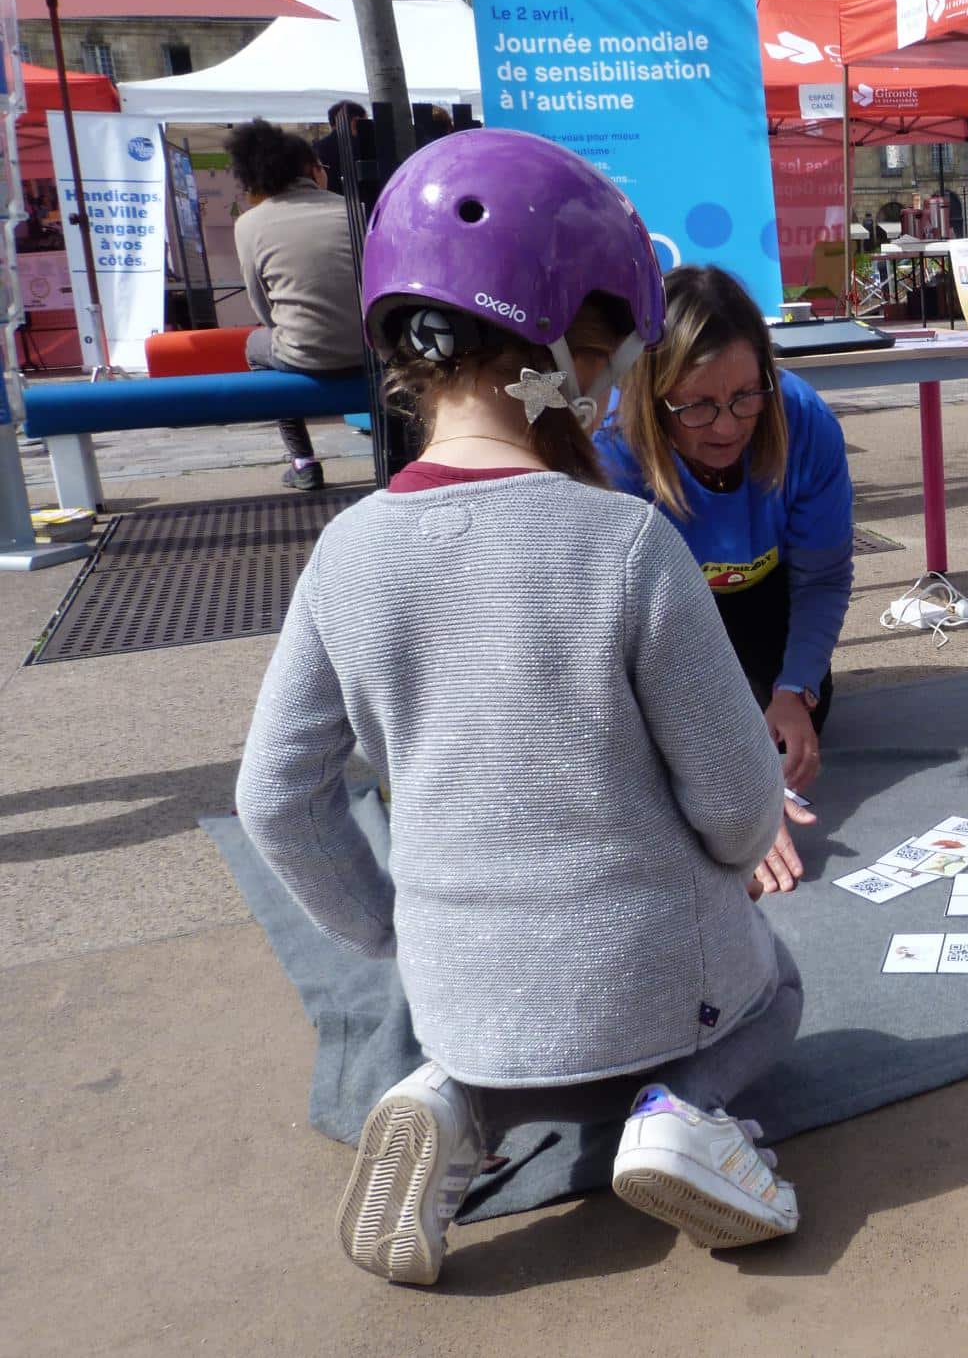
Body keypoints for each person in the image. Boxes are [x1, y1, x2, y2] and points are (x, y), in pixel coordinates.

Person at [235, 129, 803, 1287]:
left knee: (497, 1049)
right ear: (566, 348)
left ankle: (454, 1107)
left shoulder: (346, 554)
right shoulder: (626, 542)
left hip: (460, 996)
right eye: (601, 356)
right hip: (662, 982)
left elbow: (274, 800)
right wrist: (734, 845)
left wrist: (394, 928)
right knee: (776, 992)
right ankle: (680, 1117)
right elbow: (742, 806)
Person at [597, 265, 855, 901]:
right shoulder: (612, 450)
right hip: (657, 621)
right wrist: (736, 803)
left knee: (793, 721)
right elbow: (618, 644)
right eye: (698, 406)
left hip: (766, 602)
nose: (727, 425)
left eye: (745, 395)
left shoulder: (802, 420)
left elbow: (822, 578)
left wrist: (796, 690)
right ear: (654, 399)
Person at [224, 119, 367, 491]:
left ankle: (303, 460)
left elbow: (262, 306)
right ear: (312, 169)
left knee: (255, 346)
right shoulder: (357, 210)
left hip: (303, 354)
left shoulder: (249, 224)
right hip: (373, 350)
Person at [312, 100, 370, 195]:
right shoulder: (364, 146)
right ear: (355, 121)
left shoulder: (316, 148)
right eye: (365, 120)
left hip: (329, 200)